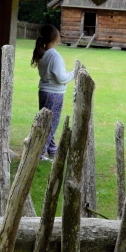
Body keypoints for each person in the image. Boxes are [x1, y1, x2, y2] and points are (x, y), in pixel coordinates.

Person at [31, 24, 74, 161]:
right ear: (56, 38)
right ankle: (40, 154)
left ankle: (52, 150)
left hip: (44, 92)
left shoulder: (43, 53)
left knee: (47, 122)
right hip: (54, 94)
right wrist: (74, 74)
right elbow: (61, 78)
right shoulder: (54, 56)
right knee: (51, 125)